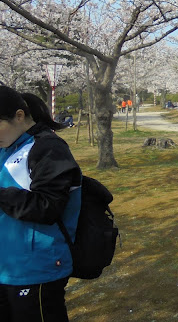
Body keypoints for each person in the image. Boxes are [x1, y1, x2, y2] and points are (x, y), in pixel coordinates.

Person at [0, 87, 82, 321]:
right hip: (7, 266)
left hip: (36, 268)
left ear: (19, 116)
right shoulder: (6, 146)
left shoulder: (48, 148)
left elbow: (48, 206)